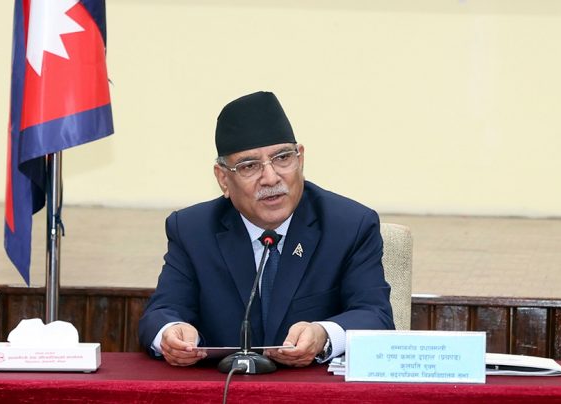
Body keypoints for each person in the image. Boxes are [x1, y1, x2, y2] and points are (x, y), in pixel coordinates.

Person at [138, 91, 394, 367]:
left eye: (282, 158)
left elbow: (375, 316)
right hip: (224, 387)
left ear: (300, 160)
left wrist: (324, 334)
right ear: (223, 179)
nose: (271, 178)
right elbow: (162, 312)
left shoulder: (349, 225)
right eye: (249, 166)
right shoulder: (193, 230)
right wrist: (171, 333)